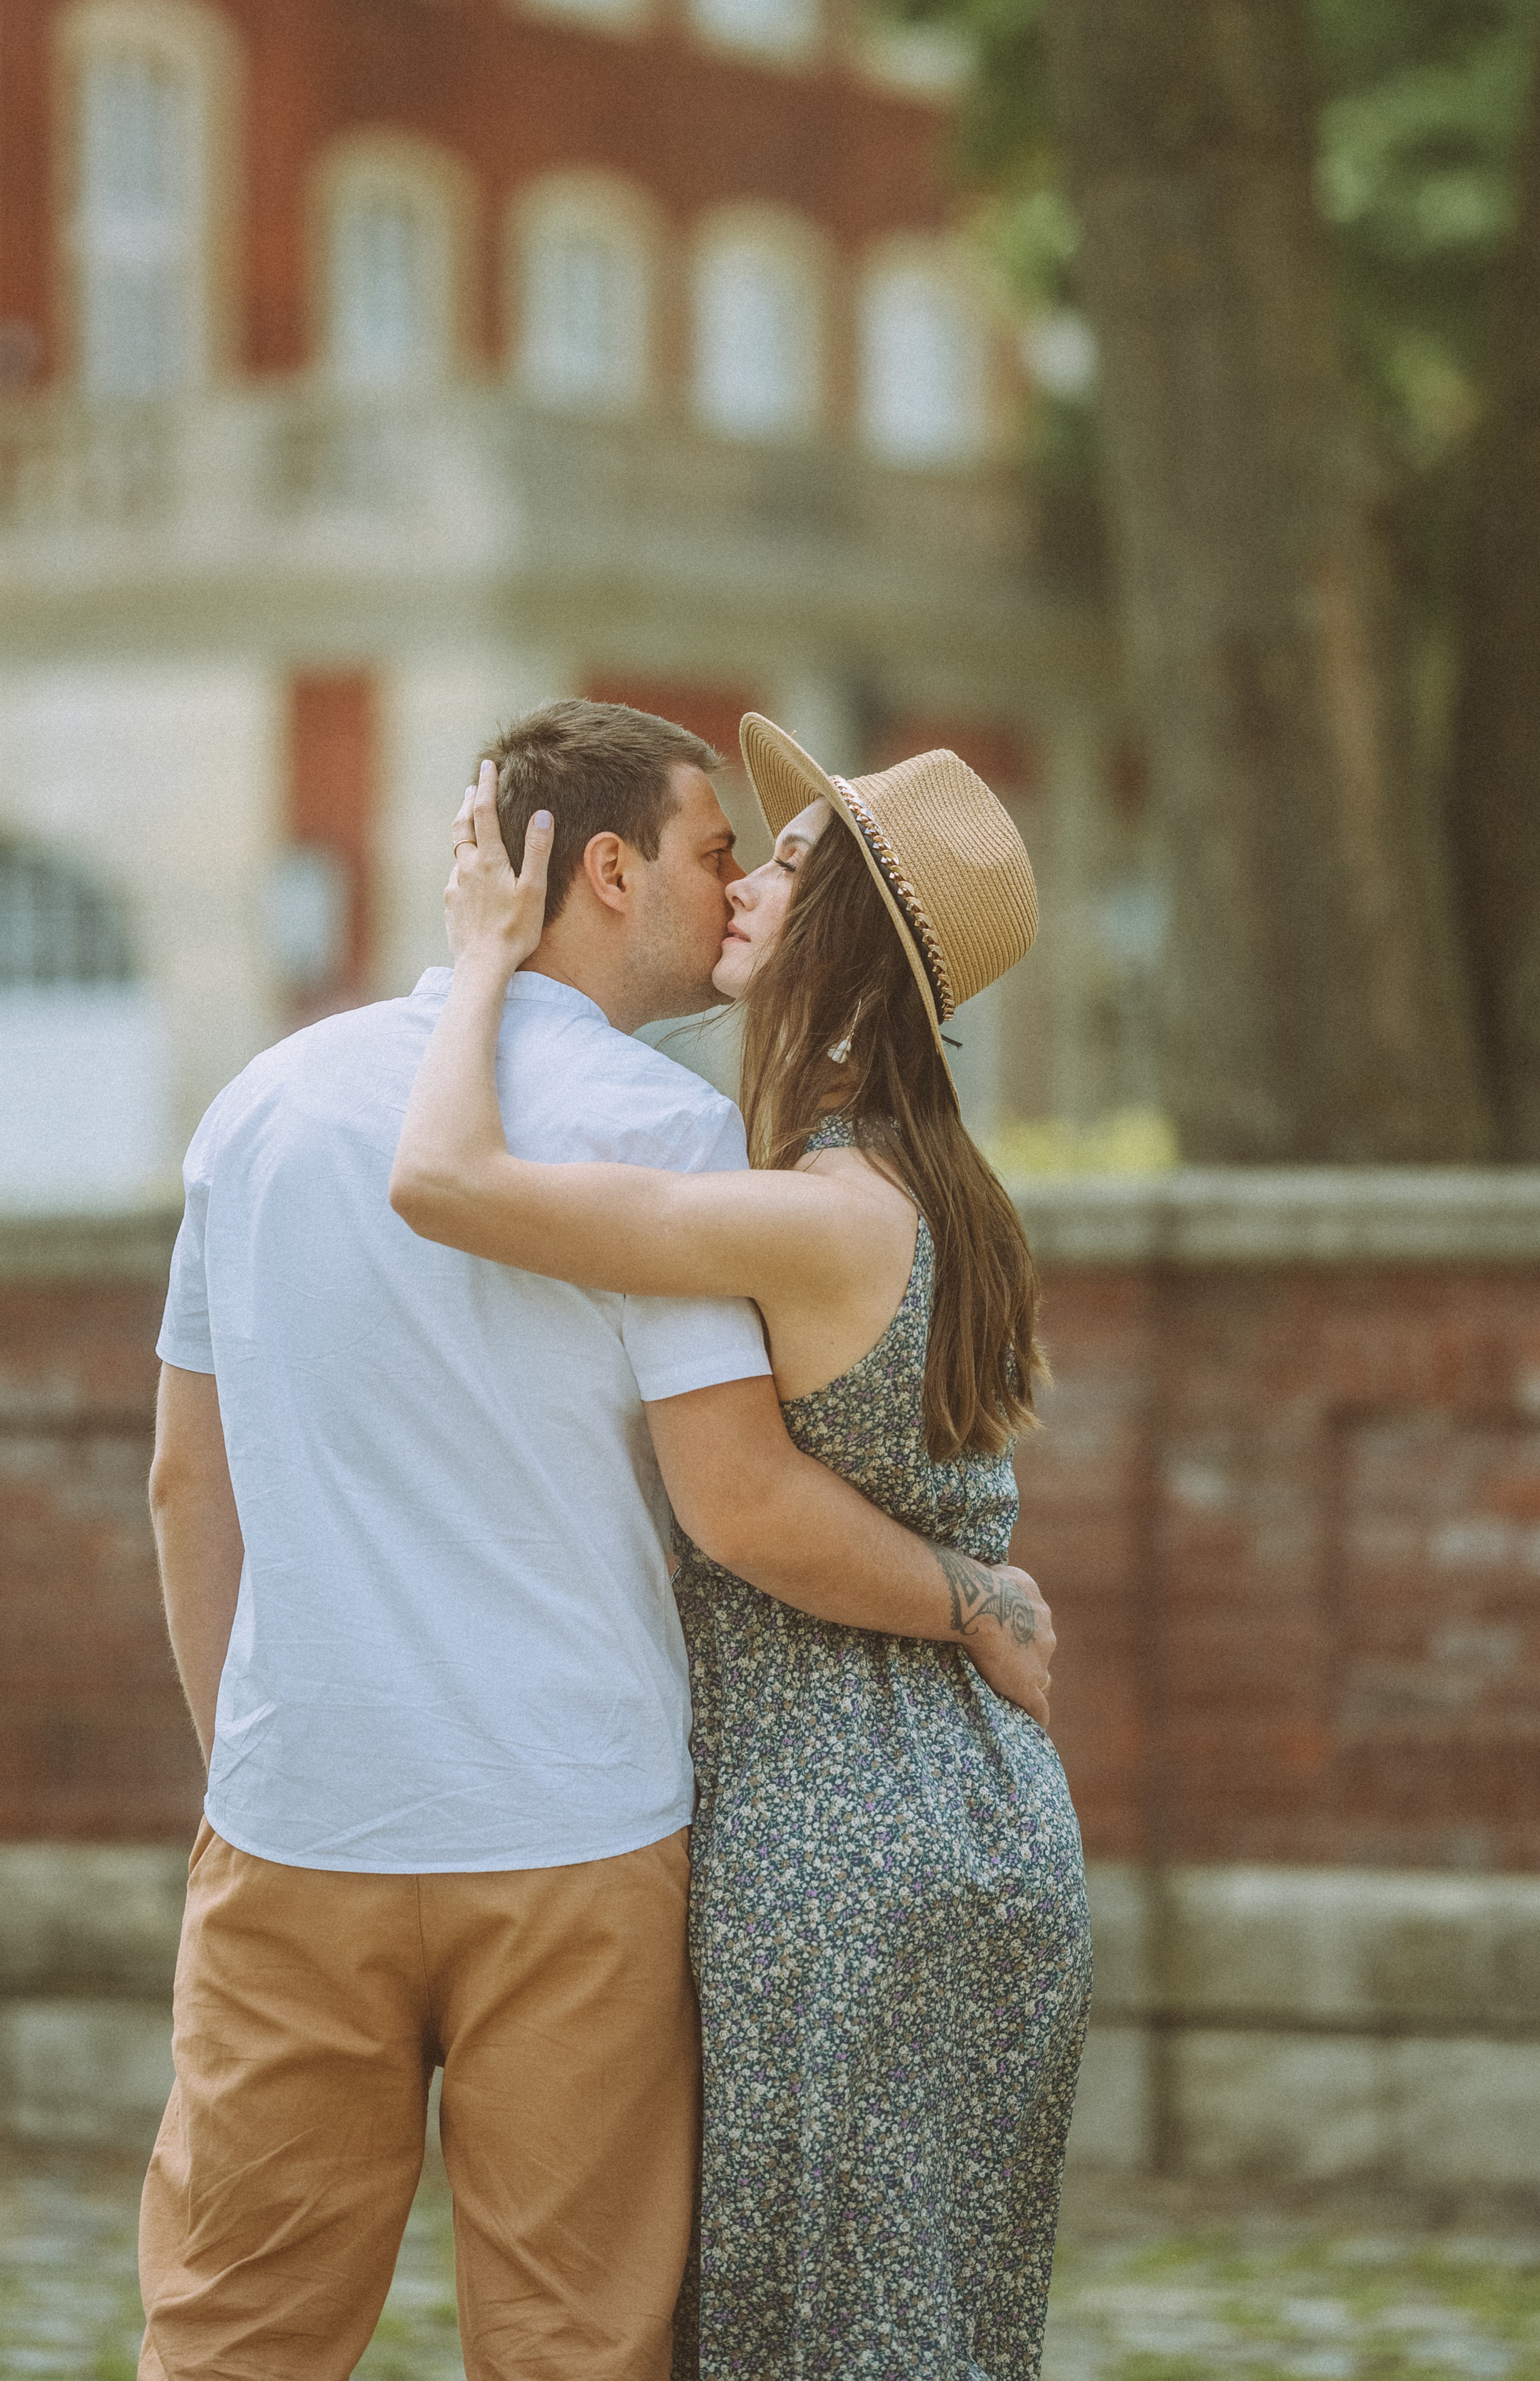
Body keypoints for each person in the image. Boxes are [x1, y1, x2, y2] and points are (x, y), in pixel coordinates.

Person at [139, 696, 1056, 2381]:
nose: (733, 891)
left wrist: (246, 1775)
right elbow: (737, 1497)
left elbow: (188, 1490)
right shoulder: (669, 1130)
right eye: (721, 852)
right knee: (576, 2341)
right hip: (572, 1829)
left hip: (297, 1817)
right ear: (614, 870)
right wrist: (975, 1601)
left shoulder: (257, 1108)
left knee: (232, 2332)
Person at [391, 716, 1093, 2381]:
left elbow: (440, 1176)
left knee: (810, 2334)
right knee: (925, 2331)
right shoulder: (935, 1192)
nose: (750, 878)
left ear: (848, 934)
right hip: (975, 1819)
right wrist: (978, 1598)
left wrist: (482, 961)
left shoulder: (800, 1215)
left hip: (833, 1842)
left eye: (790, 861)